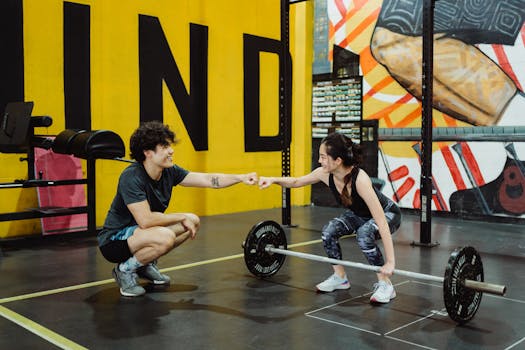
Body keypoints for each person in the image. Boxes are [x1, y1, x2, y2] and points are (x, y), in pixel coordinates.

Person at [98, 121, 258, 297]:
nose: (171, 151)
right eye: (165, 146)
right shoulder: (132, 176)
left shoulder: (169, 171)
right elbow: (146, 220)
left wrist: (240, 177)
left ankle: (143, 264)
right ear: (148, 152)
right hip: (114, 241)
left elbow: (208, 180)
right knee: (166, 236)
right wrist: (182, 216)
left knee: (193, 222)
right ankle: (125, 270)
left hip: (141, 234)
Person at [258, 132, 401, 303]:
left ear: (338, 161)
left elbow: (381, 222)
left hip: (388, 214)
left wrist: (391, 262)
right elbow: (296, 182)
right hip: (359, 215)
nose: (320, 161)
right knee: (329, 231)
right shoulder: (324, 174)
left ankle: (386, 284)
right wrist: (272, 180)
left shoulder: (360, 180)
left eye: (323, 157)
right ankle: (340, 277)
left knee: (364, 235)